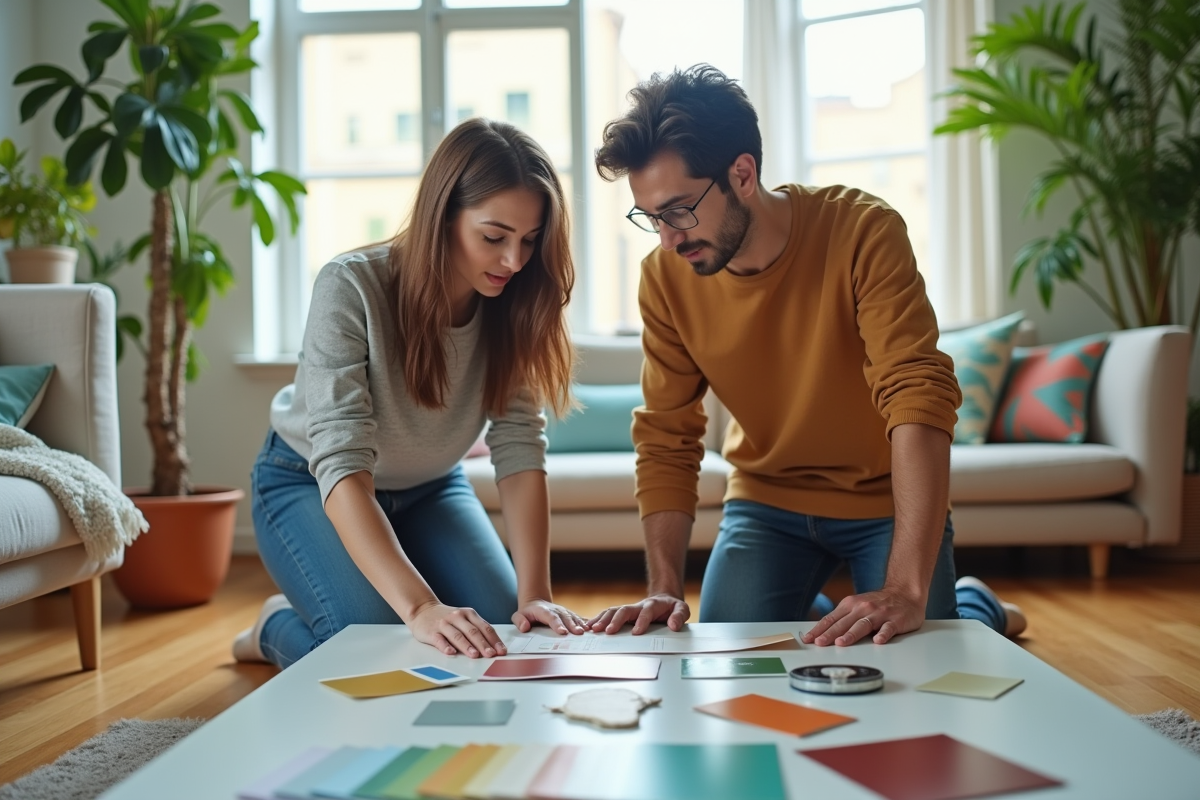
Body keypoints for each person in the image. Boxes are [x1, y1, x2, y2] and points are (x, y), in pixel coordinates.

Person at [585, 65, 1025, 646]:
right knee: (732, 655)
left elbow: (916, 391)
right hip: (766, 503)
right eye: (651, 218)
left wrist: (906, 589)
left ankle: (974, 605)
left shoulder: (863, 231)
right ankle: (810, 610)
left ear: (743, 174)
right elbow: (667, 434)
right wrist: (664, 587)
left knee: (923, 645)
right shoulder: (665, 278)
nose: (667, 238)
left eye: (678, 211)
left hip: (884, 499)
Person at [234, 118, 588, 669]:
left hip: (431, 488)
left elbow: (520, 446)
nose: (515, 261)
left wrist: (535, 595)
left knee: (498, 632)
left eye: (530, 240)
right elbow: (343, 463)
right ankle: (274, 626)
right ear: (442, 216)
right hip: (310, 481)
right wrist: (421, 608)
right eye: (494, 237)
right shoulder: (350, 285)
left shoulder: (516, 301)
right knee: (375, 647)